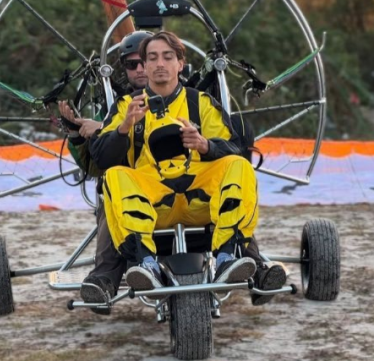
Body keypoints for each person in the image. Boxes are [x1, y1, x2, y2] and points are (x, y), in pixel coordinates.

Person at [89, 30, 268, 291]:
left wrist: (204, 144)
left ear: (180, 64)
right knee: (114, 175)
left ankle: (228, 257)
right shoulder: (126, 105)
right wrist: (125, 126)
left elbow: (234, 148)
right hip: (151, 202)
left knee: (240, 166)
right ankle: (145, 263)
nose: (160, 64)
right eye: (152, 58)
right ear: (145, 65)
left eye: (167, 57)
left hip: (201, 199)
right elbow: (101, 157)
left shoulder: (201, 103)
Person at [58, 30, 152, 310]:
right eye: (132, 64)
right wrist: (78, 135)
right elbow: (96, 165)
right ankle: (103, 281)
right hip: (130, 193)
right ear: (123, 68)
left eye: (146, 61)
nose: (140, 69)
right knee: (114, 189)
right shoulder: (118, 106)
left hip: (175, 187)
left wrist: (103, 128)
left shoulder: (190, 99)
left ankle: (251, 265)